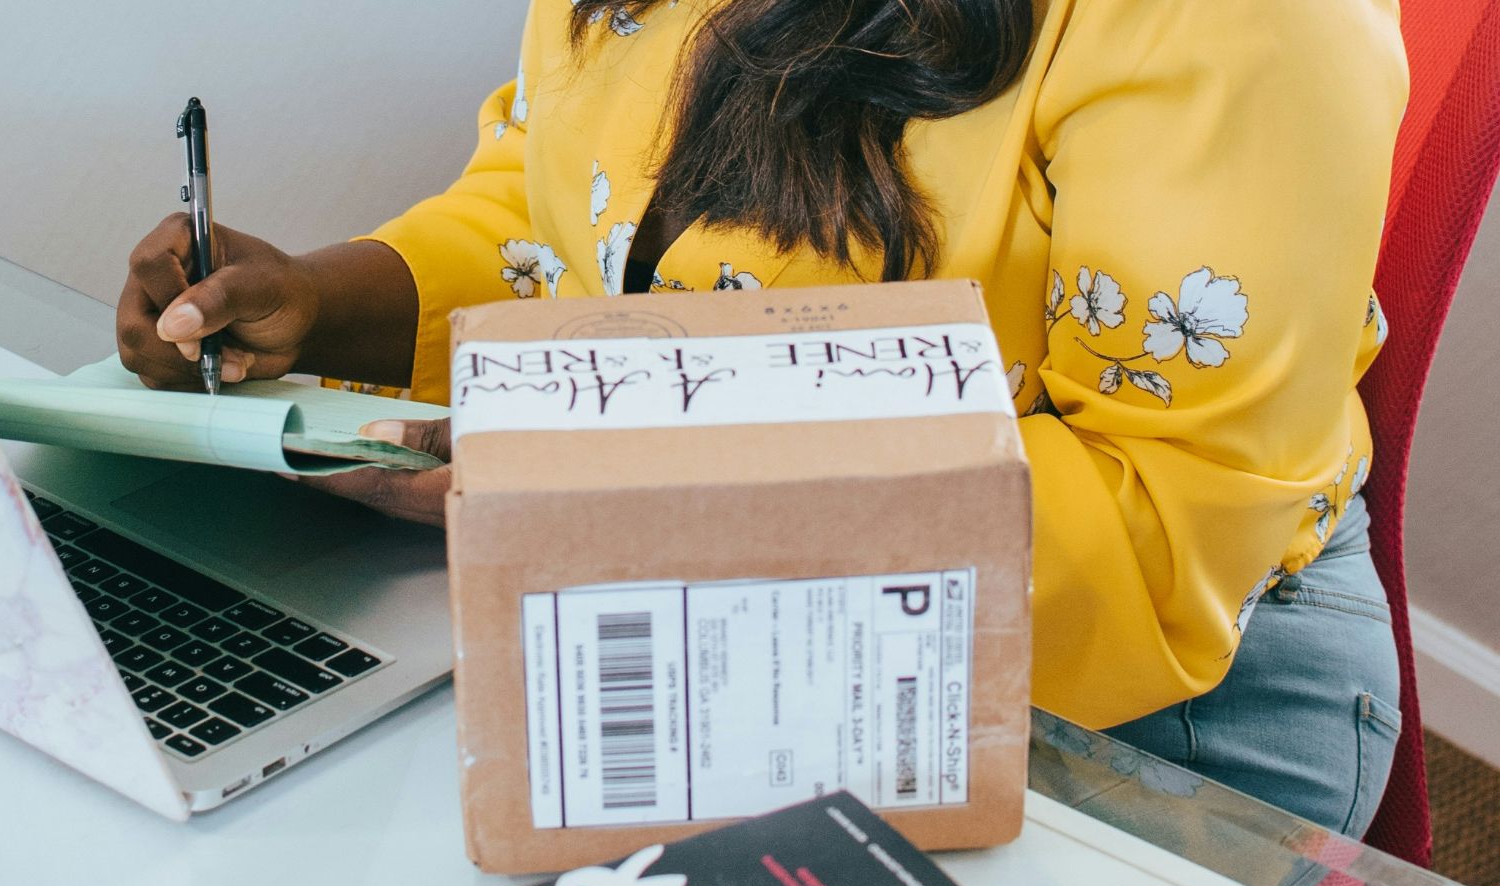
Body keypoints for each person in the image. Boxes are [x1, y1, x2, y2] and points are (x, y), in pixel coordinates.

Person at [115, 0, 1409, 837]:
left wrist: (630, 481)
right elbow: (574, 211)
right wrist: (318, 306)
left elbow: (1150, 527)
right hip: (711, 598)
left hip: (1142, 698)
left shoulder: (1248, 23)